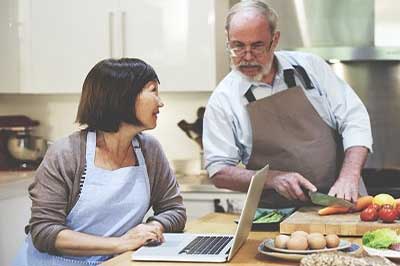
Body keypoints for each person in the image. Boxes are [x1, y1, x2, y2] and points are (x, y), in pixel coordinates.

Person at [13, 58, 186, 265]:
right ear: (123, 97)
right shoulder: (66, 154)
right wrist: (120, 244)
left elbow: (173, 209)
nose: (160, 102)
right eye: (153, 91)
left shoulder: (150, 150)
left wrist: (154, 227)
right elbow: (44, 231)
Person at [203, 0, 373, 208]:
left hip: (341, 202)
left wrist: (349, 175)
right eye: (238, 46)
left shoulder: (311, 68)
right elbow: (218, 170)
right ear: (228, 41)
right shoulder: (223, 99)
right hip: (276, 216)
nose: (247, 57)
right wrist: (272, 179)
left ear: (275, 40)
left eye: (257, 46)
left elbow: (354, 118)